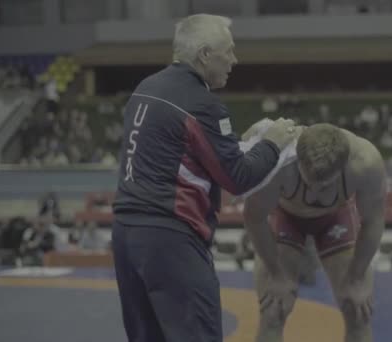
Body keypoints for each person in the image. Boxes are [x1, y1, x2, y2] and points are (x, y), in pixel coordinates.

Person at [111, 14, 298, 342]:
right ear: (205, 55)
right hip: (170, 239)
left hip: (126, 236)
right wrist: (274, 143)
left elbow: (185, 156)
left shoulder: (146, 88)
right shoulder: (202, 104)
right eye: (229, 51)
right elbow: (238, 178)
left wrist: (244, 144)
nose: (234, 60)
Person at [243, 123, 386, 342]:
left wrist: (357, 278)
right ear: (296, 160)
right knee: (273, 311)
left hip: (335, 219)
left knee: (357, 311)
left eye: (325, 186)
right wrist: (277, 274)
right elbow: (254, 218)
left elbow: (374, 221)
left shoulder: (365, 162)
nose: (315, 193)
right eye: (309, 183)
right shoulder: (278, 161)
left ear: (343, 167)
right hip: (287, 217)